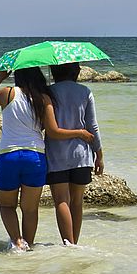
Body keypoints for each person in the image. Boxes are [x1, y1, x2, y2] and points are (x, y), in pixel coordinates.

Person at [0, 67, 94, 251]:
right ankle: (29, 245)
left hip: (9, 155)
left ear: (18, 75)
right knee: (30, 209)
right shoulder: (44, 98)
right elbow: (53, 131)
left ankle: (17, 242)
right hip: (35, 157)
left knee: (7, 205)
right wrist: (80, 133)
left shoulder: (7, 93)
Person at [45, 63, 104, 246]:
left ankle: (67, 244)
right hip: (82, 155)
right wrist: (99, 154)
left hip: (56, 155)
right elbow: (92, 126)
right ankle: (75, 244)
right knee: (77, 202)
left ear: (53, 72)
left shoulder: (48, 92)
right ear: (77, 72)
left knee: (61, 200)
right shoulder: (85, 91)